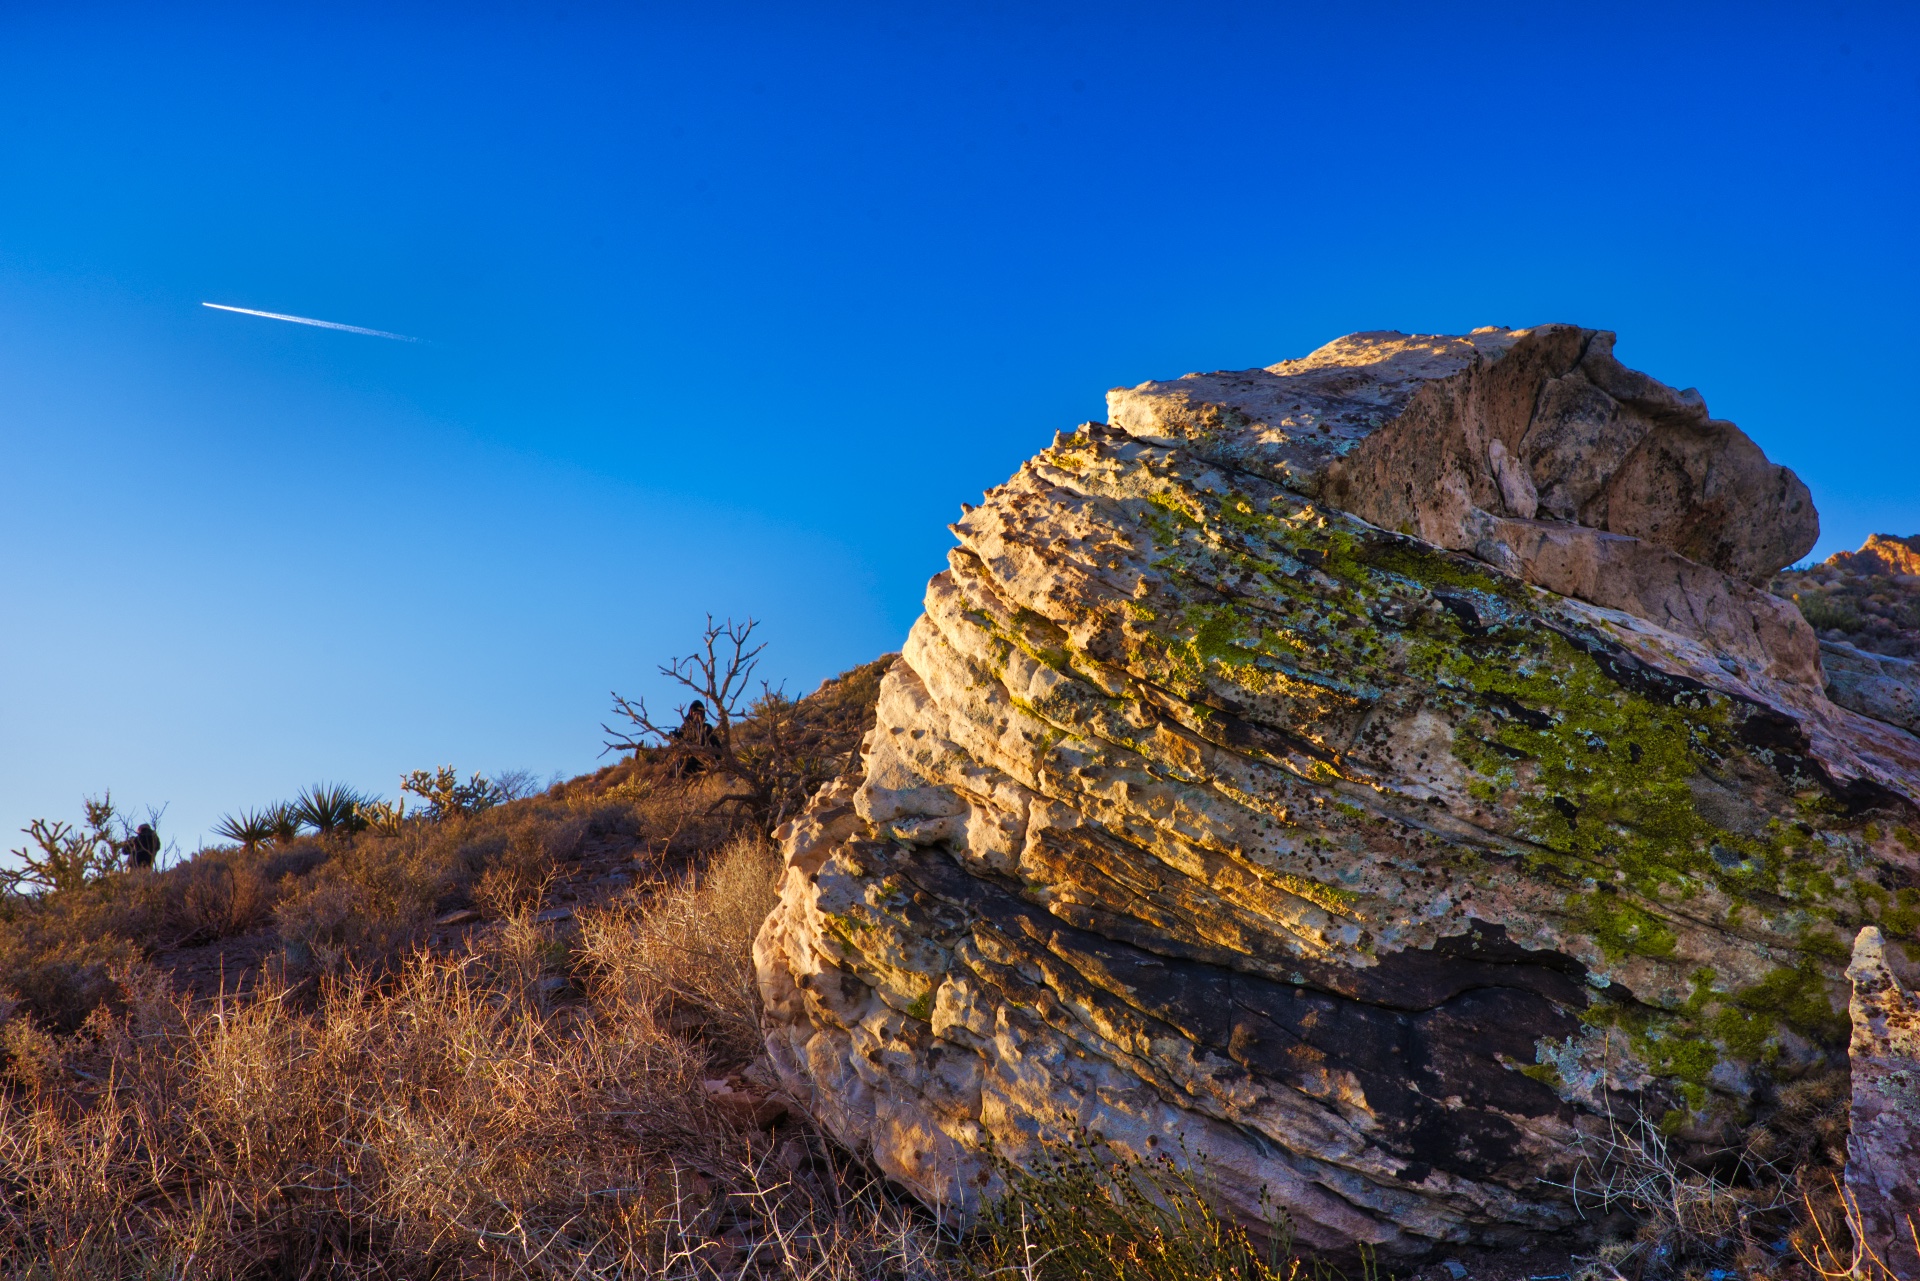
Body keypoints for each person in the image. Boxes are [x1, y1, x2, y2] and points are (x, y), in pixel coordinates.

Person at [668, 700, 715, 776]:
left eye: (699, 714)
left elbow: (713, 740)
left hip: (703, 759)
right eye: (695, 714)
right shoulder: (685, 726)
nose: (697, 716)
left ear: (702, 714)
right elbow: (680, 737)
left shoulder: (707, 727)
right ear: (691, 714)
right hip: (689, 760)